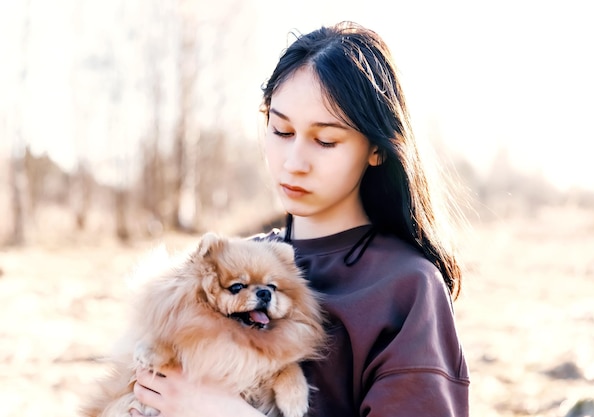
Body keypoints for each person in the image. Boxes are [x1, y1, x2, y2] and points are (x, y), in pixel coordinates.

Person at [131, 20, 470, 417]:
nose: (293, 163)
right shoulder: (234, 264)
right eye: (281, 130)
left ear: (377, 149)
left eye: (325, 140)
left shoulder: (407, 287)